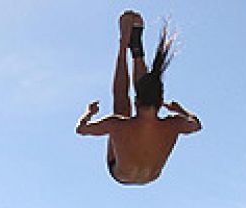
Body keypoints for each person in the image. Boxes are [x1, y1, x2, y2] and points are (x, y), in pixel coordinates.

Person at [77, 11, 201, 185]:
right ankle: (135, 49)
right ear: (160, 102)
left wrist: (89, 113)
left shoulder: (117, 125)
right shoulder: (174, 124)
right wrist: (180, 110)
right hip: (151, 176)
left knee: (121, 108)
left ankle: (125, 47)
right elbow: (196, 124)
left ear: (137, 101)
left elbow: (82, 129)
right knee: (121, 109)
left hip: (120, 173)